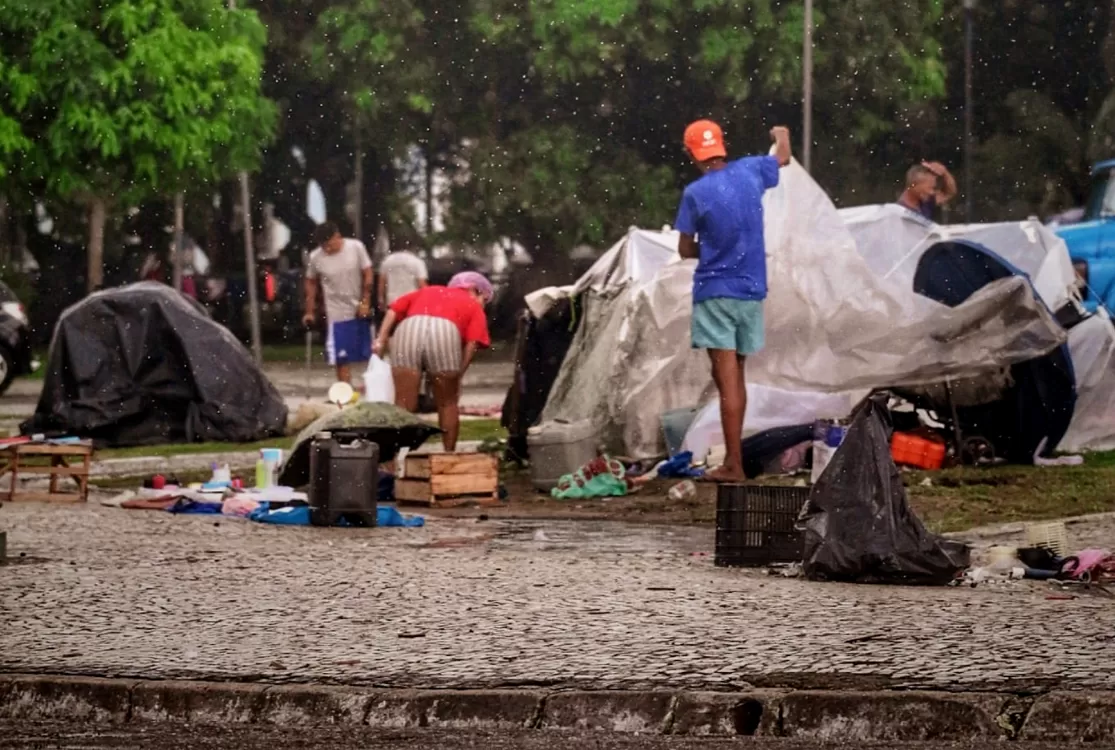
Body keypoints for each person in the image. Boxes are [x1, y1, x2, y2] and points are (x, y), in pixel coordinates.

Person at [675, 119, 792, 483]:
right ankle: (734, 460)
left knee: (726, 381)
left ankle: (734, 465)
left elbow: (684, 248)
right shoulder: (751, 172)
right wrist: (780, 134)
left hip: (715, 294)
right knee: (737, 377)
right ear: (722, 146)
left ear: (690, 153)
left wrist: (710, 249)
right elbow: (783, 157)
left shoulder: (695, 193)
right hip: (751, 291)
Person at [373, 271, 492, 451]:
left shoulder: (428, 291)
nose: (484, 305)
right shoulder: (473, 306)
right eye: (485, 300)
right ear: (476, 291)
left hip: (409, 328)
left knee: (403, 404)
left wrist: (380, 339)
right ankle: (448, 455)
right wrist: (458, 374)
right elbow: (472, 344)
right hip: (446, 331)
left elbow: (393, 310)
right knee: (447, 402)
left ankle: (395, 459)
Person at [302, 221, 374, 386]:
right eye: (323, 246)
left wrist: (366, 301)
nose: (326, 249)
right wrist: (309, 311)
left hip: (358, 305)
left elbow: (368, 274)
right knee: (340, 356)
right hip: (336, 310)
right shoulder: (316, 257)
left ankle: (372, 388)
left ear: (337, 236)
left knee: (370, 351)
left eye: (328, 245)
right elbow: (311, 282)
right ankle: (346, 391)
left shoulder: (356, 247)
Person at [377, 243, 429, 311]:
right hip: (410, 304)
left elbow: (381, 284)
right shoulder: (417, 262)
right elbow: (422, 285)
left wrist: (381, 301)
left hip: (392, 303)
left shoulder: (387, 261)